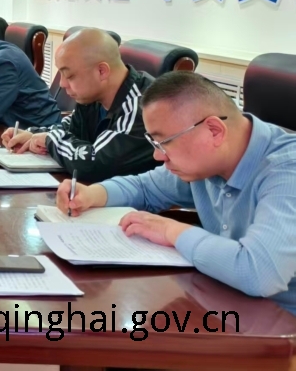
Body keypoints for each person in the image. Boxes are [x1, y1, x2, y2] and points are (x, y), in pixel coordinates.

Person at [55, 71, 296, 310]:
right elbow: (145, 187)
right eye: (154, 143)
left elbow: (259, 273)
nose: (157, 156)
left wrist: (172, 231)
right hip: (224, 299)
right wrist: (93, 194)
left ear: (214, 130)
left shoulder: (287, 171)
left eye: (164, 142)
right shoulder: (207, 161)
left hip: (280, 322)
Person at [2, 28, 160, 183]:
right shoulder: (91, 97)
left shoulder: (144, 105)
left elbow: (97, 163)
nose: (62, 84)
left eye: (69, 75)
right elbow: (71, 129)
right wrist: (34, 135)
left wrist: (50, 140)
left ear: (101, 71)